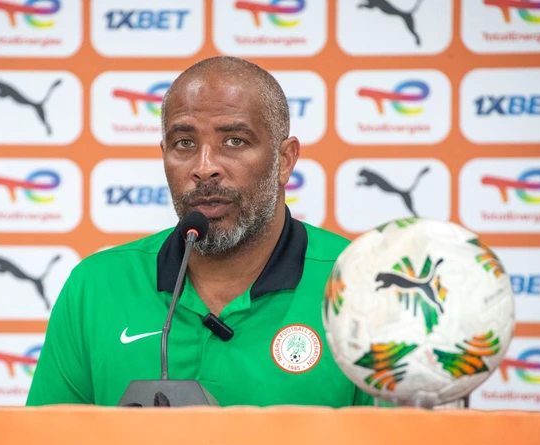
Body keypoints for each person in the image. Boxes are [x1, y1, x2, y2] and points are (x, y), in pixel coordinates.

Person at [26, 56, 373, 407]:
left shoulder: (360, 285)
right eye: (185, 143)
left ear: (284, 160)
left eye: (234, 141)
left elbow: (391, 440)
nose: (205, 168)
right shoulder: (96, 287)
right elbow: (47, 439)